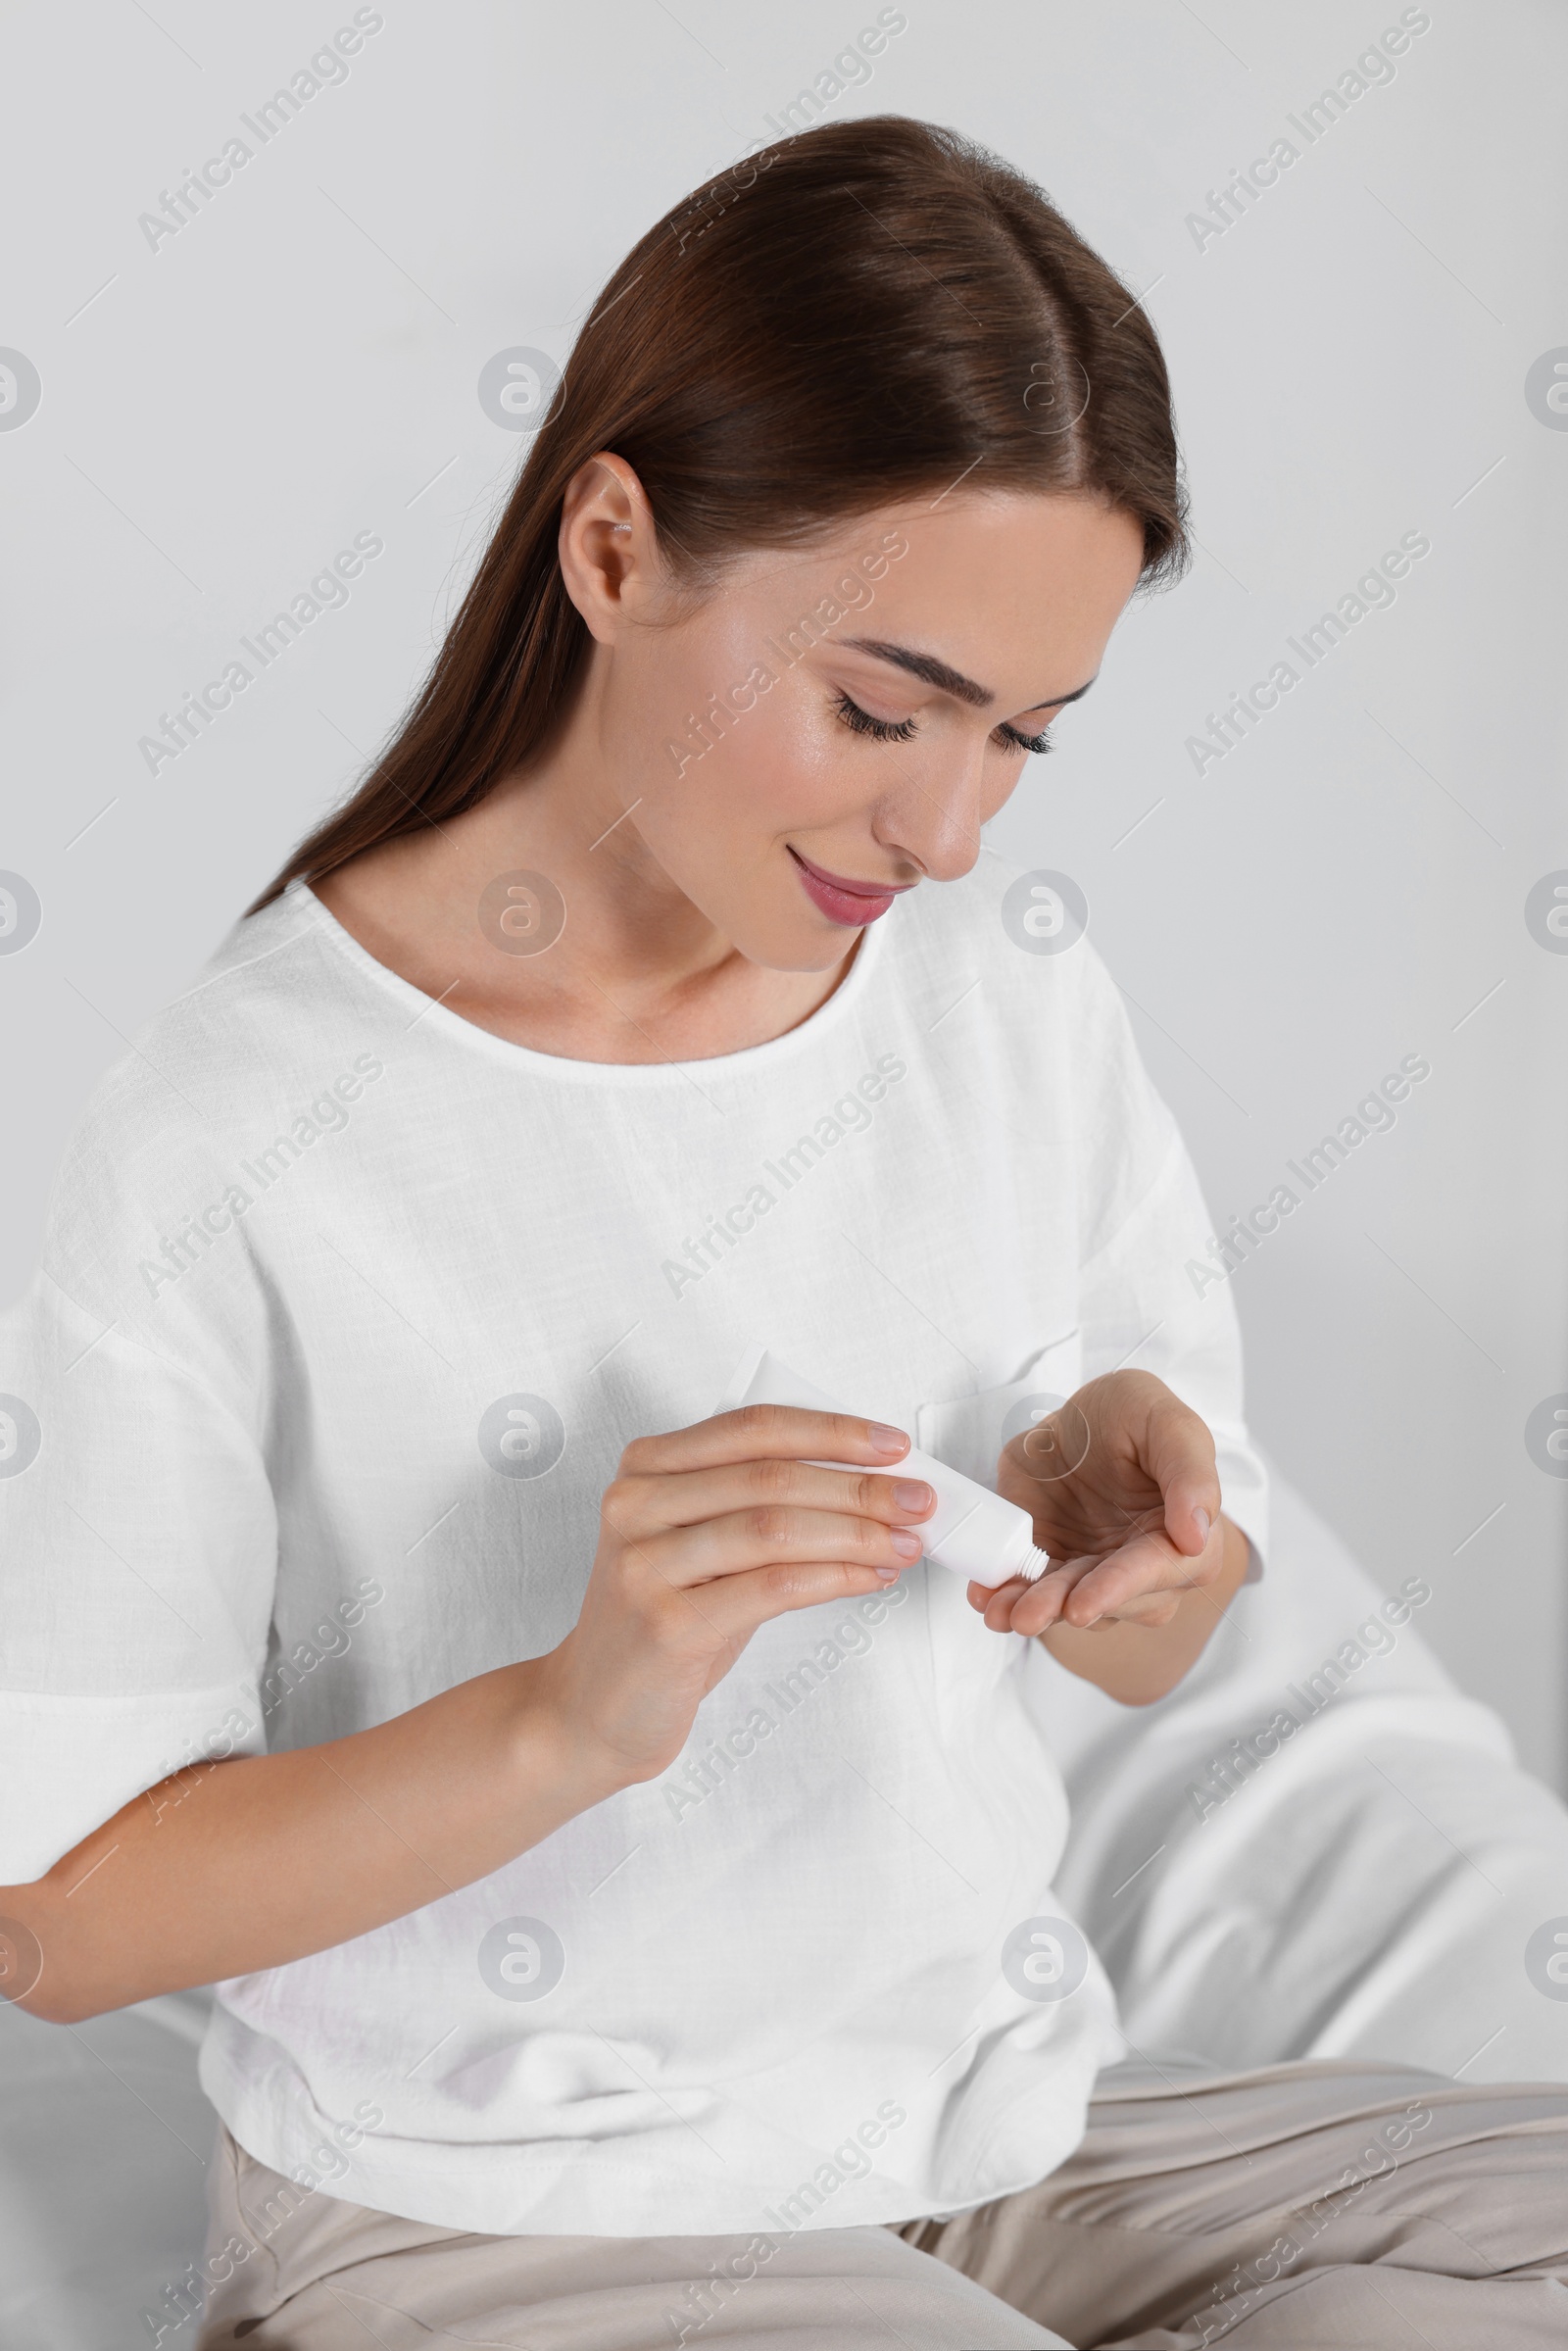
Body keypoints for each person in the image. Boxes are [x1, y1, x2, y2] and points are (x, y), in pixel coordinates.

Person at [1, 115, 1563, 2350]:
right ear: (616, 547)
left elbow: (1145, 1648)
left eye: (1025, 736)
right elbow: (51, 1915)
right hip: (500, 2206)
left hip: (989, 2148)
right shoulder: (242, 1128)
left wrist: (1142, 1544)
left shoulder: (1004, 998)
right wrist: (568, 1713)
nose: (943, 829)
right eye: (877, 708)